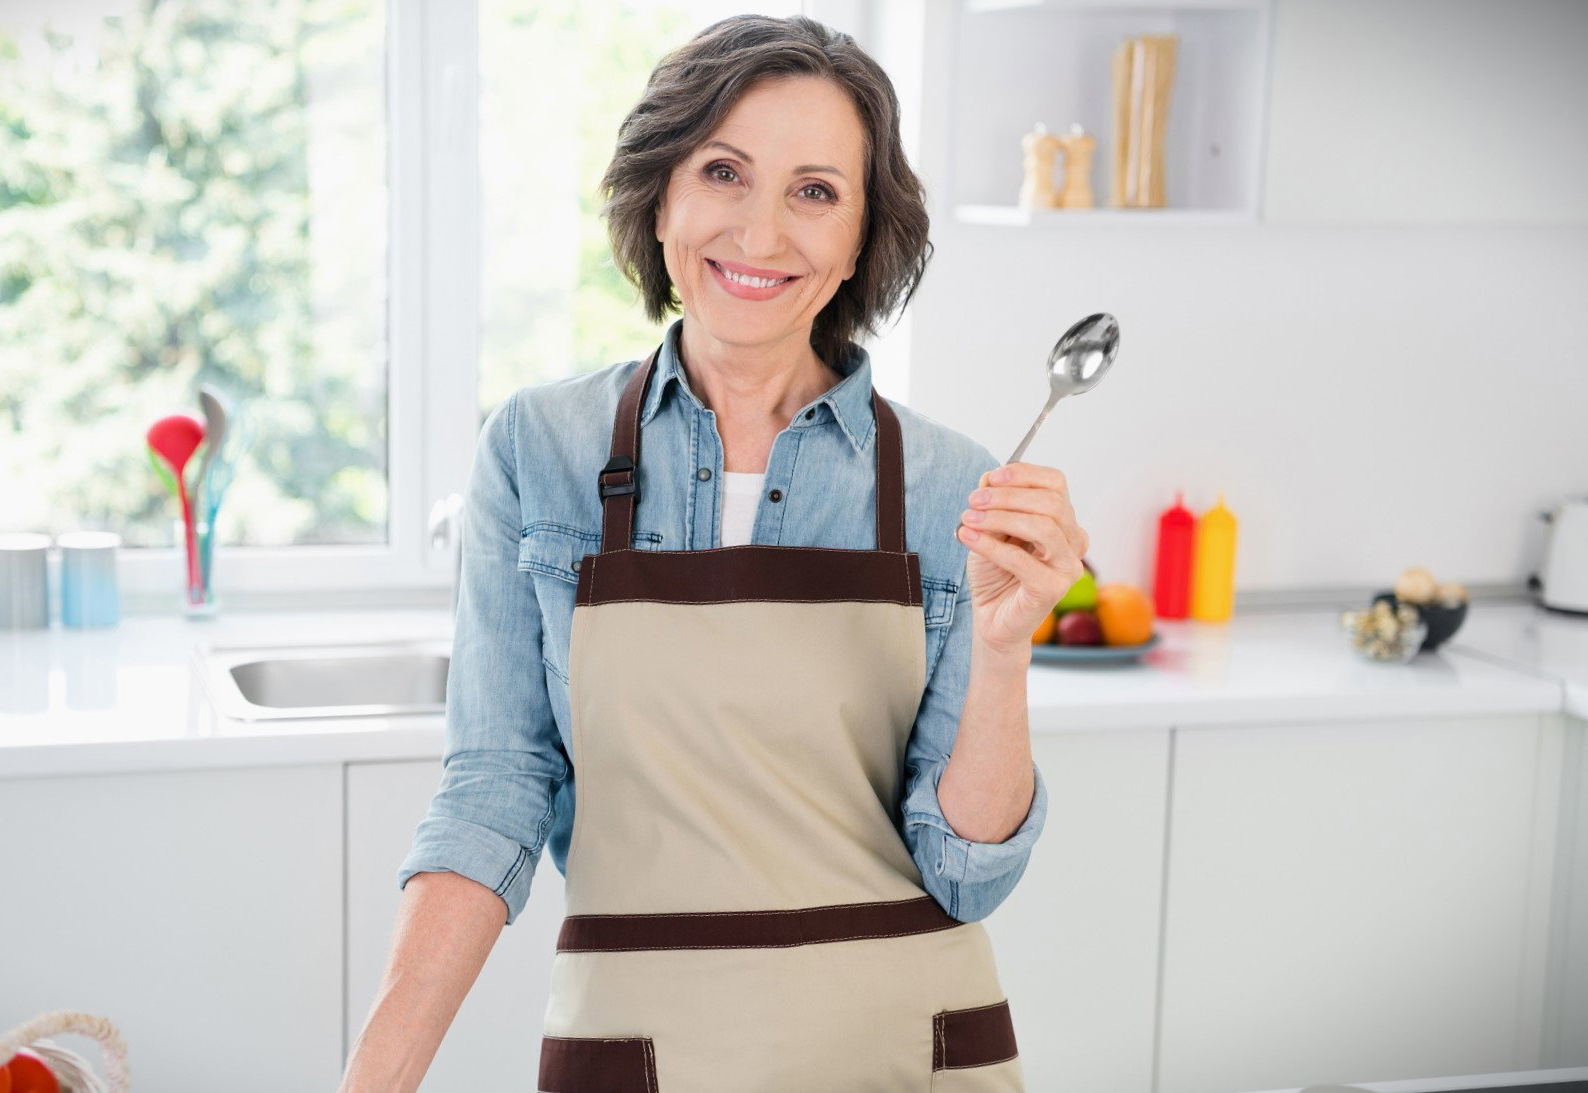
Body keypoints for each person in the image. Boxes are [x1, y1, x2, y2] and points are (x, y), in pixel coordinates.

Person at [339, 13, 1088, 1091]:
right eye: (723, 172)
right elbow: (494, 791)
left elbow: (965, 872)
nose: (760, 231)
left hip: (905, 1050)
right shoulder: (539, 450)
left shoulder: (948, 487)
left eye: (813, 191)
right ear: (660, 197)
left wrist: (1004, 652)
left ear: (859, 239)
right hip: (638, 1052)